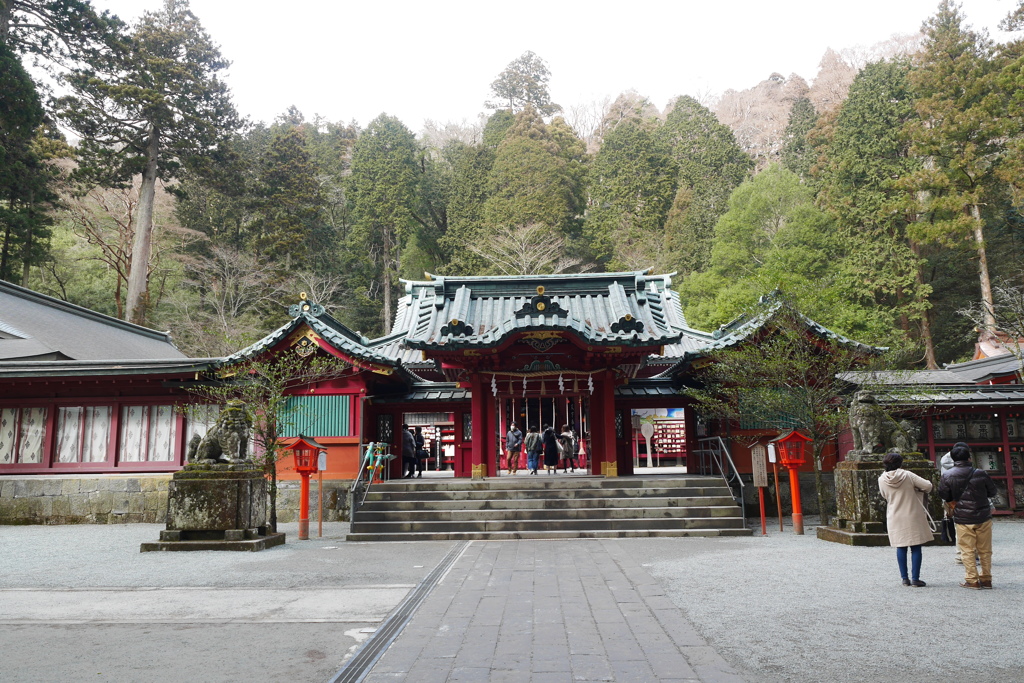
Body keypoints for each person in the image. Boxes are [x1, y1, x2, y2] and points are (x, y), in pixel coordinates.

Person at [939, 442, 997, 589]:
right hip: (983, 515)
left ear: (953, 458)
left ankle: (972, 579)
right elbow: (992, 492)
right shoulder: (980, 473)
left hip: (963, 517)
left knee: (967, 549)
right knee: (985, 549)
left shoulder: (947, 475)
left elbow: (945, 495)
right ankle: (986, 578)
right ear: (969, 458)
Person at [877, 452, 933, 587]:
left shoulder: (881, 479)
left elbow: (885, 495)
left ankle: (904, 578)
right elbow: (928, 486)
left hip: (894, 515)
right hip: (912, 514)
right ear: (900, 463)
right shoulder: (907, 475)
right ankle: (915, 578)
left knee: (900, 547)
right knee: (916, 546)